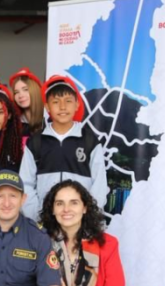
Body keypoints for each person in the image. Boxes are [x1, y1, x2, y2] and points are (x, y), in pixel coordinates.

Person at [20, 75, 108, 221]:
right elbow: (26, 182)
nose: (62, 107)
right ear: (47, 107)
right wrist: (37, 215)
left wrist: (87, 216)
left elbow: (99, 183)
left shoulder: (89, 141)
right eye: (55, 102)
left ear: (77, 105)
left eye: (68, 101)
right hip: (45, 222)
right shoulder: (36, 142)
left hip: (80, 222)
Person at [9, 68, 46, 137]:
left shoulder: (49, 119)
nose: (20, 95)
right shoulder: (14, 124)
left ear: (35, 90)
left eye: (25, 89)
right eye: (16, 92)